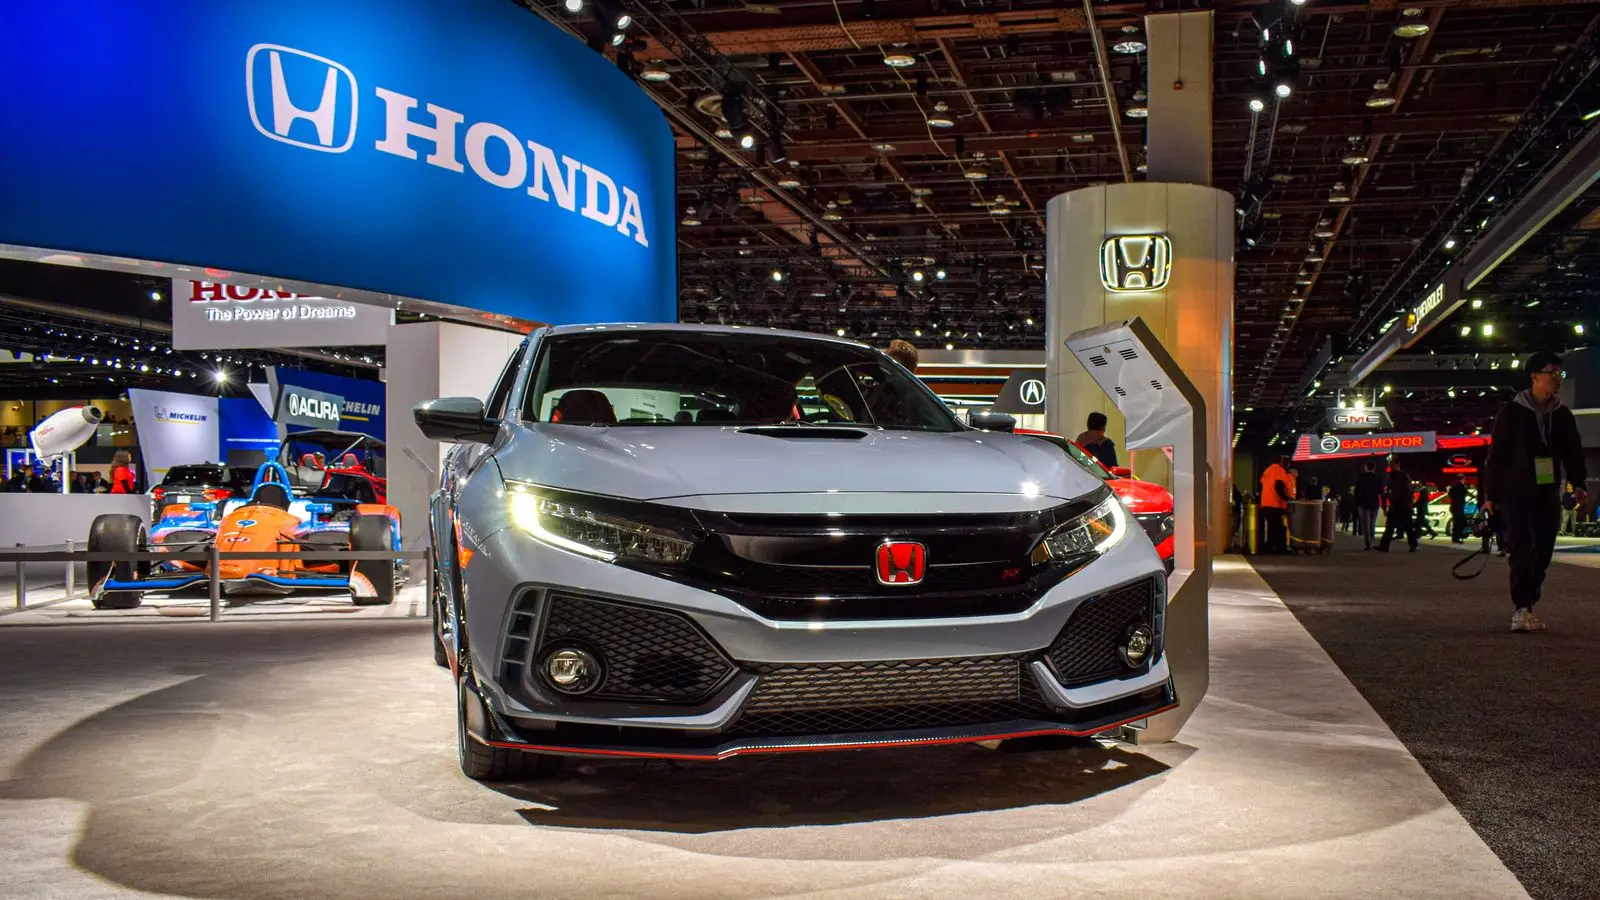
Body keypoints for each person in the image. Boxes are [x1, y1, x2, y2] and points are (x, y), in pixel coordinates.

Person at [1481, 352, 1588, 633]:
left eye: (1560, 373)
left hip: (1547, 491)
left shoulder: (1562, 415)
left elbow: (1573, 452)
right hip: (1514, 493)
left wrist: (1578, 483)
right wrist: (1490, 496)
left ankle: (1528, 602)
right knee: (1521, 549)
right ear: (1535, 376)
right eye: (1553, 372)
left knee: (1543, 550)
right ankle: (1521, 608)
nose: (1558, 378)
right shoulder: (1511, 412)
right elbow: (1496, 456)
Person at [1377, 458, 1417, 552]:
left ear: (1396, 465)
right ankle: (1413, 545)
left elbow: (1397, 492)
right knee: (1406, 526)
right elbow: (1407, 491)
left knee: (1392, 526)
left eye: (1391, 465)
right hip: (1402, 505)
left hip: (1399, 505)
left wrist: (1390, 499)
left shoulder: (1396, 476)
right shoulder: (1401, 476)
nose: (1390, 467)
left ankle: (1384, 546)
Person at [1259, 455, 1293, 553]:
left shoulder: (1268, 470)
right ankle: (1278, 548)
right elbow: (1279, 486)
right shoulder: (1279, 470)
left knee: (1273, 526)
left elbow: (1261, 485)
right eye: (1287, 463)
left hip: (1266, 503)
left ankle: (1271, 547)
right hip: (1275, 504)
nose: (1288, 465)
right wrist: (1286, 499)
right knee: (1278, 527)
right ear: (1282, 462)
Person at [1354, 461, 1383, 549]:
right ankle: (1372, 541)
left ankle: (1367, 543)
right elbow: (1381, 492)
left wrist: (1357, 502)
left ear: (1366, 468)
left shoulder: (1361, 478)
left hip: (1363, 503)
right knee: (1372, 524)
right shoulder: (1377, 478)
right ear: (1374, 468)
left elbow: (1356, 491)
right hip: (1374, 503)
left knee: (1365, 524)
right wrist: (1384, 505)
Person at [1448, 475, 1469, 543]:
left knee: (1456, 522)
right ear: (1462, 479)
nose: (1464, 481)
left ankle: (1455, 538)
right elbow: (1466, 492)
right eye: (1464, 479)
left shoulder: (1453, 486)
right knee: (1459, 522)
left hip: (1454, 506)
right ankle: (1458, 537)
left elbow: (1450, 494)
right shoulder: (1461, 486)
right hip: (1459, 507)